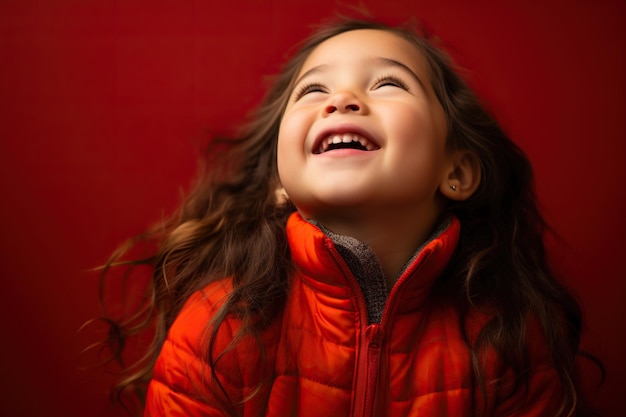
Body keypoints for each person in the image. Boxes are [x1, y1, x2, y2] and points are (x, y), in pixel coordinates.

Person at [98, 18, 597, 417]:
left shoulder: (508, 338)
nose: (341, 100)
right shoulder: (218, 330)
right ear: (279, 180)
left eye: (387, 83)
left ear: (458, 170)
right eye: (313, 91)